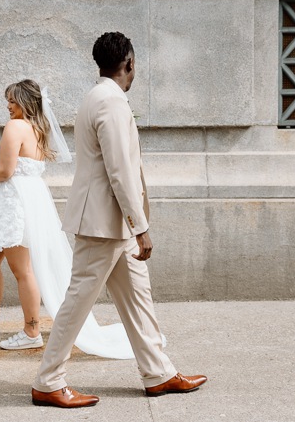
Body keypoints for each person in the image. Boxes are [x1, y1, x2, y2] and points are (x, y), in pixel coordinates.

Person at [31, 32, 207, 408]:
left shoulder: (98, 97)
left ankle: (158, 373)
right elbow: (120, 169)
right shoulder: (111, 101)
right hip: (104, 223)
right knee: (78, 302)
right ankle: (48, 381)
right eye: (134, 63)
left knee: (138, 297)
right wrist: (140, 225)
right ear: (129, 63)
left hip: (112, 224)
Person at [0, 79, 136, 357]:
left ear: (26, 102)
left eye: (13, 101)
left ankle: (31, 331)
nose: (8, 106)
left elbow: (6, 171)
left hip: (12, 202)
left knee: (22, 269)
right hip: (19, 198)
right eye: (8, 100)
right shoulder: (36, 129)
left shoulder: (15, 127)